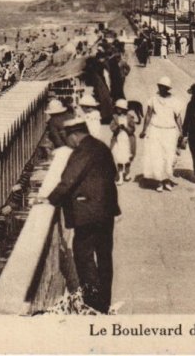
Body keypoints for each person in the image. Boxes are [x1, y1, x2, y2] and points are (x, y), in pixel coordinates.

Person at [47, 118, 120, 314]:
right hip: (106, 212)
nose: (66, 142)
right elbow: (113, 173)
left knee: (83, 256)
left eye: (66, 137)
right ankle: (104, 301)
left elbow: (68, 180)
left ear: (74, 135)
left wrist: (50, 199)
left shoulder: (82, 150)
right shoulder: (101, 147)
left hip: (88, 214)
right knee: (104, 257)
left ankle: (93, 303)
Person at [139, 76, 184, 192]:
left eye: (164, 87)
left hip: (169, 131)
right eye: (160, 86)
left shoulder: (174, 101)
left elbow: (178, 117)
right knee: (157, 156)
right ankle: (159, 181)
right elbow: (148, 115)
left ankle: (167, 180)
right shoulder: (153, 99)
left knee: (169, 156)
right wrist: (144, 130)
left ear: (168, 88)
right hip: (155, 130)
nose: (162, 88)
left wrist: (181, 131)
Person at [110, 99, 137, 185]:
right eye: (117, 108)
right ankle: (120, 177)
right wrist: (117, 128)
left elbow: (133, 129)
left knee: (127, 158)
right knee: (119, 159)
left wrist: (125, 128)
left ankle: (127, 173)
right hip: (118, 140)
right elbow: (112, 127)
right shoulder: (115, 117)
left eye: (120, 108)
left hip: (127, 141)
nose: (118, 110)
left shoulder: (129, 117)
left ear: (125, 109)